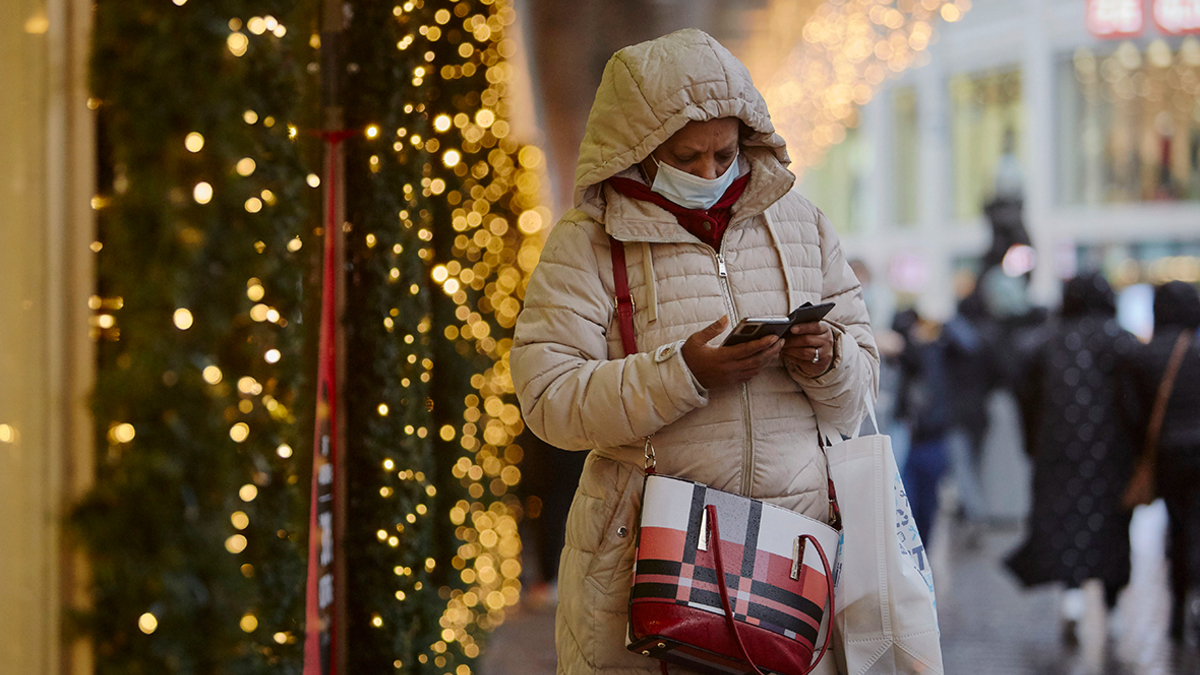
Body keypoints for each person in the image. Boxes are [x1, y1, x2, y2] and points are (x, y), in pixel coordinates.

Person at [510, 29, 879, 675]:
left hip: (789, 561)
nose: (710, 172)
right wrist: (681, 373)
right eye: (688, 156)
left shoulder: (802, 222)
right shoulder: (586, 242)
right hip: (646, 562)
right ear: (642, 149)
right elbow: (548, 398)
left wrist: (827, 357)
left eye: (725, 152)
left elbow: (861, 390)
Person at [1006, 274, 1140, 644]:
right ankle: (1111, 609)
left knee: (1067, 525)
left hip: (1058, 452)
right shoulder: (1120, 339)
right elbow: (1135, 400)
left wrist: (1033, 442)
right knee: (1113, 528)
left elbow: (1026, 394)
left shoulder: (1048, 340)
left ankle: (1071, 599)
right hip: (1112, 454)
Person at [1130, 281, 1200, 644]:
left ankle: (1177, 609)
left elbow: (1135, 414)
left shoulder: (1146, 354)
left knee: (1178, 528)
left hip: (1169, 456)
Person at [892, 309, 950, 545]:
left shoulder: (935, 352)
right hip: (905, 441)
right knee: (907, 510)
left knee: (925, 511)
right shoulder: (894, 357)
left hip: (930, 440)